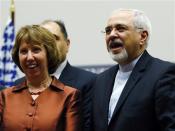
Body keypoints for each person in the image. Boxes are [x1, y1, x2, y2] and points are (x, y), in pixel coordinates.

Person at [92, 8, 175, 131]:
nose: (112, 35)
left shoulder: (163, 74)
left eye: (120, 28)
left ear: (142, 36)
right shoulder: (101, 80)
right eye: (108, 30)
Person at [15, 20, 96, 131]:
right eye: (43, 41)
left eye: (54, 38)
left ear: (67, 44)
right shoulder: (18, 85)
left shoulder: (88, 82)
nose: (50, 44)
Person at [0, 25, 82, 131]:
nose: (29, 57)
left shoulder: (69, 96)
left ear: (49, 53)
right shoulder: (5, 97)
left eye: (36, 50)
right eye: (24, 51)